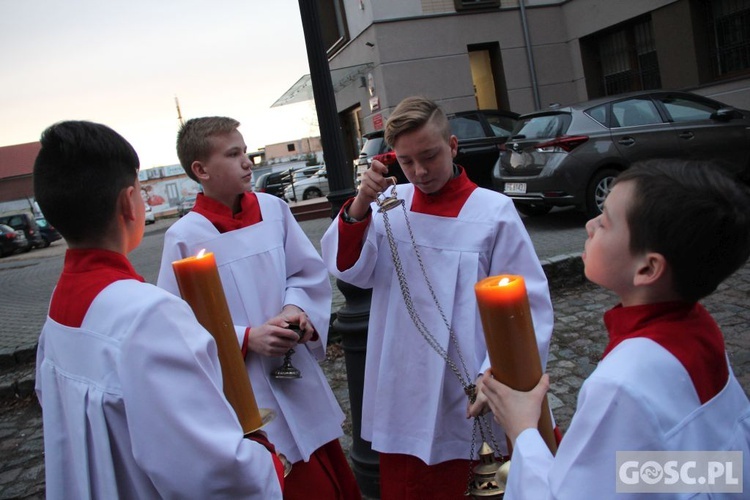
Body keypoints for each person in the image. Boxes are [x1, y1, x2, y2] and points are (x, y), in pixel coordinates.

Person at [33, 120, 284, 499]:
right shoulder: (148, 315)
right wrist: (265, 462)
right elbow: (211, 470)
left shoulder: (58, 306)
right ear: (127, 204)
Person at [320, 96, 554, 498]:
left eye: (430, 156)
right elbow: (350, 268)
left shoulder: (493, 212)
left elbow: (527, 302)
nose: (420, 171)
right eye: (407, 162)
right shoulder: (391, 207)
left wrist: (495, 372)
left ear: (453, 146)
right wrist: (361, 202)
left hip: (470, 378)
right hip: (404, 376)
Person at [481, 160, 750, 498]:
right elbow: (698, 467)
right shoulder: (700, 327)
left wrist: (523, 429)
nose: (590, 224)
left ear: (647, 268)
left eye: (606, 222)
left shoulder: (621, 384)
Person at [157, 116, 360, 500]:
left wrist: (295, 311)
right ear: (201, 170)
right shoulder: (183, 238)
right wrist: (247, 338)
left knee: (327, 472)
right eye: (233, 155)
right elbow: (175, 326)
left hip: (293, 370)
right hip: (243, 387)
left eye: (245, 152)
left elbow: (304, 273)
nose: (247, 162)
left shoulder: (273, 210)